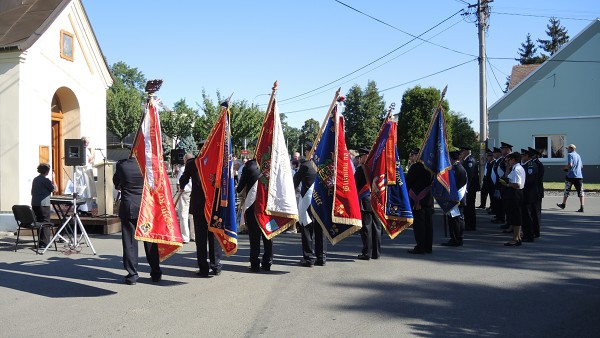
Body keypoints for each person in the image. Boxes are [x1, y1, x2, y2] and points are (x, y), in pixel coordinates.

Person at [113, 157, 161, 285]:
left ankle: (132, 274)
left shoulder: (122, 165)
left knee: (129, 242)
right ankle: (156, 272)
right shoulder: (147, 165)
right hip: (145, 206)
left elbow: (117, 184)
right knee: (150, 240)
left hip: (129, 205)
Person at [179, 146, 222, 277]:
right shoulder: (217, 162)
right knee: (213, 235)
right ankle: (216, 266)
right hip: (213, 205)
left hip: (198, 205)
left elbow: (183, 180)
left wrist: (182, 185)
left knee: (201, 238)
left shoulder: (192, 163)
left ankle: (203, 268)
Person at [237, 158, 273, 272]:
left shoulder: (249, 166)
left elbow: (240, 187)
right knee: (268, 234)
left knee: (254, 236)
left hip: (253, 206)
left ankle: (255, 264)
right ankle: (267, 262)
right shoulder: (271, 163)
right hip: (268, 205)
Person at [294, 141, 326, 267]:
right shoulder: (322, 165)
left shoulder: (306, 165)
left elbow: (295, 181)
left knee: (306, 227)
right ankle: (321, 257)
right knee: (320, 229)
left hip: (308, 201)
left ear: (308, 152)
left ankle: (308, 258)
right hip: (320, 201)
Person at [354, 148, 381, 260]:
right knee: (377, 227)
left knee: (367, 228)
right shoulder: (375, 168)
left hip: (365, 201)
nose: (360, 159)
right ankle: (376, 252)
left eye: (361, 157)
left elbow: (355, 185)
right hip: (376, 200)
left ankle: (367, 253)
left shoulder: (361, 169)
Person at [406, 159, 434, 254]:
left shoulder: (416, 167)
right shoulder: (432, 166)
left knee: (419, 225)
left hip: (417, 199)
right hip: (428, 199)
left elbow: (408, 182)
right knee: (428, 224)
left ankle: (420, 246)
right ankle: (428, 246)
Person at [499, 152, 525, 246]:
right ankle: (517, 237)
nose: (507, 161)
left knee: (516, 216)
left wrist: (507, 184)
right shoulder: (514, 168)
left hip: (515, 193)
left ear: (513, 159)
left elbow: (518, 184)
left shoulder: (517, 169)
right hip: (513, 193)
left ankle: (515, 238)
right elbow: (507, 177)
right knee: (514, 215)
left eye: (509, 159)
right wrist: (507, 168)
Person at [441, 150, 467, 247]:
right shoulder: (457, 167)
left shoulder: (457, 169)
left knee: (456, 220)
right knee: (456, 219)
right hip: (457, 198)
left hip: (456, 198)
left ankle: (456, 239)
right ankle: (457, 238)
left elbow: (454, 184)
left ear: (451, 159)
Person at [31, 163, 57, 249]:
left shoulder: (35, 179)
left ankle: (40, 242)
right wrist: (54, 179)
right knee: (45, 222)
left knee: (39, 222)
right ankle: (45, 243)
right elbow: (54, 188)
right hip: (43, 204)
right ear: (46, 171)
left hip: (35, 203)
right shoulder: (45, 180)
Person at [557, 144, 584, 212]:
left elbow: (570, 165)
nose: (567, 150)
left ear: (571, 149)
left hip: (571, 176)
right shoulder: (578, 156)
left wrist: (565, 168)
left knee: (567, 190)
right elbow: (581, 166)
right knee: (580, 191)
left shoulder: (570, 155)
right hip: (579, 176)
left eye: (568, 149)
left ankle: (563, 204)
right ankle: (582, 206)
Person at [520, 149, 538, 242]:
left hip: (528, 194)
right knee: (526, 215)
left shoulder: (530, 166)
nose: (521, 157)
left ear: (527, 156)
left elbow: (528, 180)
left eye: (523, 156)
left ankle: (529, 235)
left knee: (528, 215)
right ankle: (527, 233)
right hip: (527, 193)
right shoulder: (526, 165)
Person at [176, 153, 194, 243]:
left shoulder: (183, 168)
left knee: (183, 215)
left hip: (184, 193)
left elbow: (178, 183)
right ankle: (194, 236)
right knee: (192, 215)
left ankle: (185, 237)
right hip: (193, 193)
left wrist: (179, 189)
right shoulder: (196, 167)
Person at [460, 146, 479, 231]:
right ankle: (469, 223)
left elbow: (469, 176)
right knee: (468, 207)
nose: (461, 153)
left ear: (466, 151)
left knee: (470, 207)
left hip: (470, 188)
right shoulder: (467, 160)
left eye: (462, 151)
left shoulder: (470, 161)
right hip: (469, 188)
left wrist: (466, 187)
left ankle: (471, 224)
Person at [529, 147, 544, 238]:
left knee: (536, 212)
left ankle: (536, 231)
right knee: (532, 212)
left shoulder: (538, 164)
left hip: (536, 191)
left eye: (531, 154)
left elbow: (538, 178)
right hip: (532, 191)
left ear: (535, 155)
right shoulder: (532, 164)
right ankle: (532, 230)